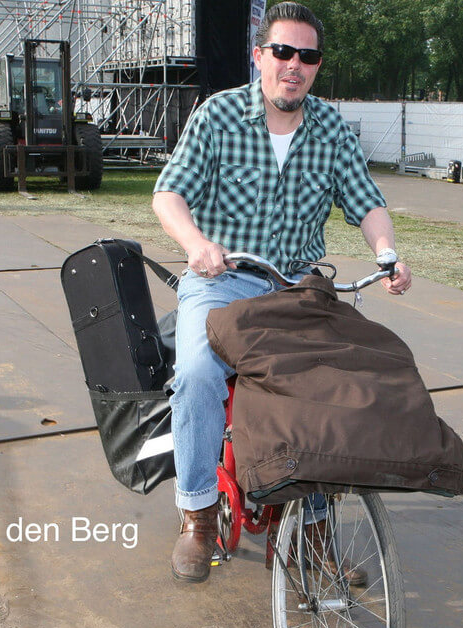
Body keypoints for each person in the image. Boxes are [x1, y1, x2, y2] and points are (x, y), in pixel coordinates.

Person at [151, 1, 411, 584]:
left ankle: (314, 534)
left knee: (330, 392)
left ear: (317, 66)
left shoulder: (331, 131)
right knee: (196, 372)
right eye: (283, 52)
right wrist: (195, 242)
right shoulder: (217, 117)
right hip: (224, 280)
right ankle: (196, 517)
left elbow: (366, 201)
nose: (294, 65)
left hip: (298, 286)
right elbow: (169, 195)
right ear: (260, 57)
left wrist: (386, 251)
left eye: (308, 55)